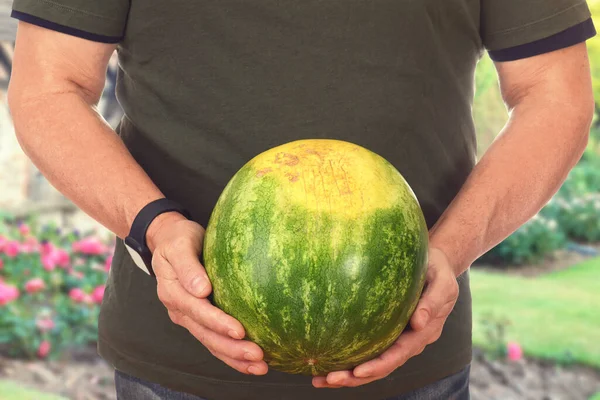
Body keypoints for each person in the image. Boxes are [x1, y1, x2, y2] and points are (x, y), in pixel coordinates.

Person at [6, 0, 595, 398]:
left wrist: (451, 249)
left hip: (412, 363)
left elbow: (555, 94)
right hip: (174, 369)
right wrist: (154, 230)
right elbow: (48, 86)